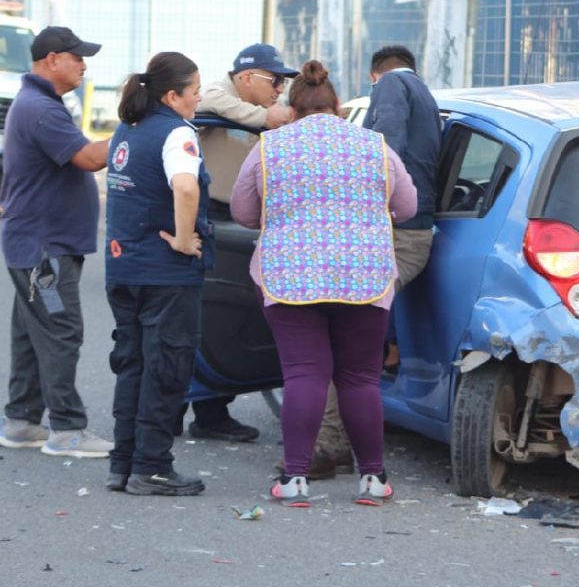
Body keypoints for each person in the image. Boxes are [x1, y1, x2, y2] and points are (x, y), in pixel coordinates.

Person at [231, 60, 417, 506]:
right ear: (337, 107)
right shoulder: (375, 146)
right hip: (363, 276)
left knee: (304, 374)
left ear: (292, 110)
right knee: (359, 379)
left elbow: (242, 211)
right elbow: (408, 207)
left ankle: (294, 480)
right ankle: (373, 480)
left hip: (289, 276)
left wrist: (282, 219)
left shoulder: (269, 147)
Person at [307, 45, 441, 478]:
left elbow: (387, 149)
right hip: (412, 231)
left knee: (333, 336)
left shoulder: (391, 86)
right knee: (348, 338)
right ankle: (338, 443)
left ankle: (329, 445)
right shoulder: (423, 93)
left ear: (373, 76)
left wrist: (366, 202)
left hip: (396, 231)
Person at [173, 43, 298, 443]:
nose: (280, 89)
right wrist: (264, 118)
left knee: (226, 318)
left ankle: (212, 412)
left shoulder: (247, 112)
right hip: (207, 216)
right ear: (246, 77)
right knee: (192, 316)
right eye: (275, 80)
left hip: (244, 221)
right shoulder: (214, 97)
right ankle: (172, 408)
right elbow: (209, 99)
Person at [0, 26, 112, 458]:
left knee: (33, 333)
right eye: (77, 56)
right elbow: (87, 158)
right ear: (52, 59)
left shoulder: (38, 104)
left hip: (37, 245)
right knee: (61, 330)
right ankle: (67, 429)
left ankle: (22, 421)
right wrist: (135, 131)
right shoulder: (41, 109)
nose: (84, 64)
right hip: (44, 250)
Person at [104, 52, 212, 496]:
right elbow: (185, 186)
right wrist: (186, 240)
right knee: (166, 368)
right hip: (165, 272)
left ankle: (123, 463)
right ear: (172, 95)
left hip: (123, 265)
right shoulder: (176, 133)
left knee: (133, 365)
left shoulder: (126, 130)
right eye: (194, 91)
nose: (198, 98)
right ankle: (151, 466)